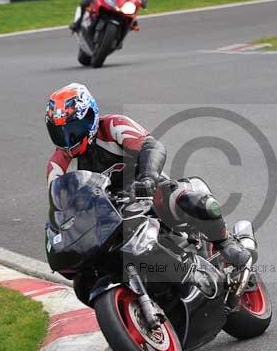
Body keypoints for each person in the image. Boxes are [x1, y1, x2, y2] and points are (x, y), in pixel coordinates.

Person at [44, 83, 251, 280]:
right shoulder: (58, 160)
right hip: (112, 214)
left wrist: (148, 178)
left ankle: (226, 241)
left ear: (90, 116)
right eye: (60, 133)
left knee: (190, 199)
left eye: (73, 130)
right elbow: (58, 200)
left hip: (148, 193)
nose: (68, 139)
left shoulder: (113, 125)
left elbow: (152, 146)